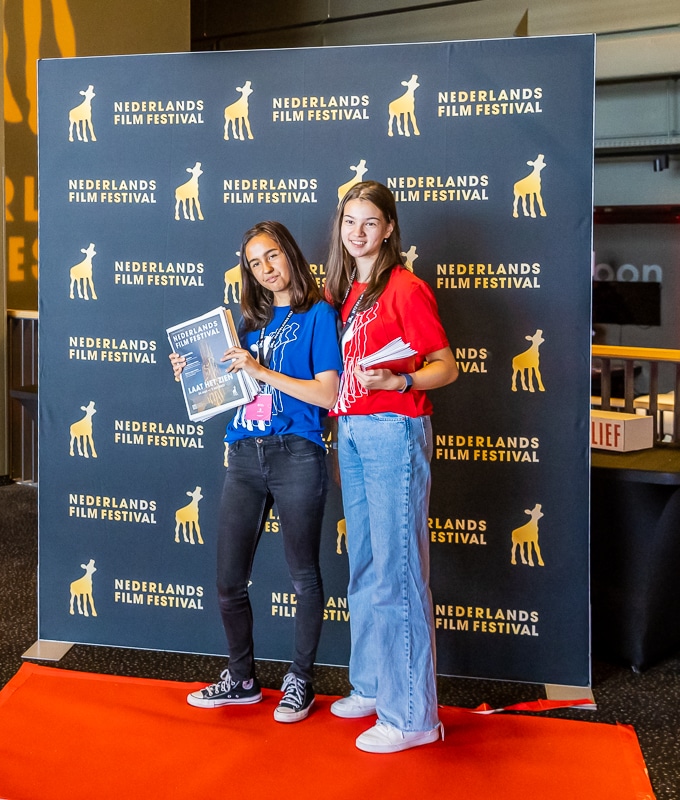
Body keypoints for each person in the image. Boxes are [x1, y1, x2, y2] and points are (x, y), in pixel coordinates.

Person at [172, 221, 341, 723]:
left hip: (298, 452)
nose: (265, 270)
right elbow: (225, 393)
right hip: (245, 452)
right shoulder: (247, 323)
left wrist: (261, 370)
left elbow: (328, 395)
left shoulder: (318, 315)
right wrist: (195, 375)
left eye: (271, 257)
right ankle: (242, 679)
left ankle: (300, 681)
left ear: (290, 254)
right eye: (253, 263)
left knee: (303, 576)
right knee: (228, 579)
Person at [323, 181, 458, 753]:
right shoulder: (342, 291)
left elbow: (446, 367)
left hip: (393, 430)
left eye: (370, 222)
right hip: (351, 430)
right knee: (366, 566)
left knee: (399, 575)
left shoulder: (405, 288)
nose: (358, 232)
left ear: (389, 229)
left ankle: (413, 717)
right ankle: (375, 687)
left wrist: (401, 378)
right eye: (350, 221)